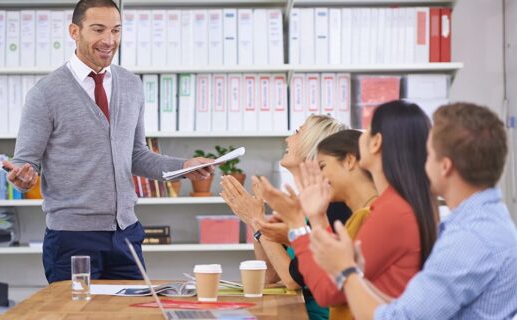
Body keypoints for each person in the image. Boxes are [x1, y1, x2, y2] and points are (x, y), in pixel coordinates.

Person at [2, 0, 214, 283]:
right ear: (74, 32)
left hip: (126, 235)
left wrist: (184, 166)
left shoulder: (131, 85)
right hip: (72, 239)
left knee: (131, 314)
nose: (109, 40)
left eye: (116, 30)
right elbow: (25, 162)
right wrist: (24, 178)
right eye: (98, 30)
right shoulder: (46, 93)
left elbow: (136, 155)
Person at [310, 102, 517, 320]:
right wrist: (354, 275)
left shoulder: (469, 238)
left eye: (427, 153)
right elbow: (412, 307)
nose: (421, 162)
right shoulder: (483, 222)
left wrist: (347, 272)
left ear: (445, 166)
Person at [259, 100, 438, 320]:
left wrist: (298, 226)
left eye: (368, 130)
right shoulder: (392, 206)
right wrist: (316, 218)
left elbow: (327, 291)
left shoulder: (391, 213)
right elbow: (335, 274)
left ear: (376, 143)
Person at [220, 114, 351, 320]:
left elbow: (292, 280)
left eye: (297, 132)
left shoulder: (333, 205)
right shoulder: (299, 201)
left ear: (313, 145)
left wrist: (256, 220)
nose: (288, 139)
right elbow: (272, 275)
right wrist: (255, 221)